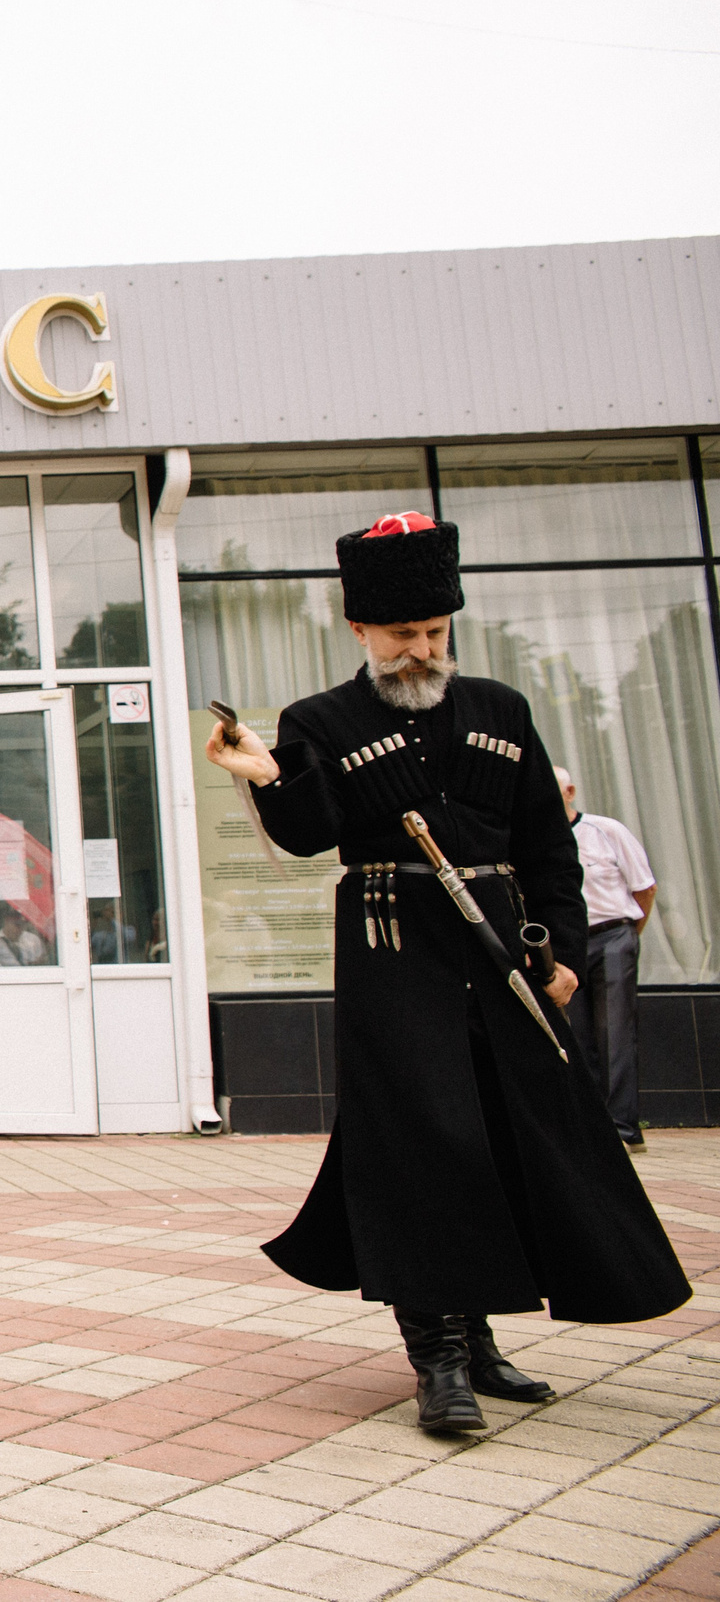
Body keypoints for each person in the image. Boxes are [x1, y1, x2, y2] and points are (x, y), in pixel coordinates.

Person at [205, 512, 686, 1434]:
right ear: (360, 632)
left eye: (432, 634)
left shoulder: (502, 709)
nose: (419, 651)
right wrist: (268, 773)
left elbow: (549, 844)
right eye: (400, 636)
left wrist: (562, 959)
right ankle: (438, 1361)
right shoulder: (324, 720)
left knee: (506, 1136)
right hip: (394, 956)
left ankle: (482, 1336)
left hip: (505, 954)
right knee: (421, 1147)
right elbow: (310, 836)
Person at [558, 766, 657, 1150]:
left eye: (558, 791)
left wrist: (630, 936)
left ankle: (624, 1131)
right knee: (579, 1036)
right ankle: (594, 1130)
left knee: (615, 1033)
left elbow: (645, 889)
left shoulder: (606, 830)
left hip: (614, 935)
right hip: (571, 944)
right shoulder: (540, 840)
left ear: (571, 791)